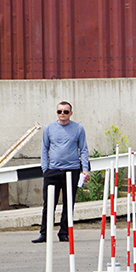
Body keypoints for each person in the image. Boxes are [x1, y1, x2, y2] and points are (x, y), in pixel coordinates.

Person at [34, 101, 89, 243]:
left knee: (68, 203)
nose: (62, 114)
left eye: (65, 111)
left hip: (72, 170)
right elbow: (44, 149)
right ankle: (44, 233)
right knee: (48, 204)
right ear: (56, 112)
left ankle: (64, 232)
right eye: (60, 111)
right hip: (53, 170)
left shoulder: (78, 128)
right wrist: (45, 169)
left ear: (71, 113)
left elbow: (83, 149)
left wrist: (85, 170)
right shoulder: (49, 128)